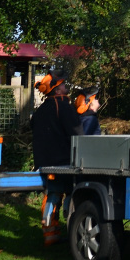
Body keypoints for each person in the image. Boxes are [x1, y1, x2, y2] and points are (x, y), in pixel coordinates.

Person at [30, 70, 80, 247]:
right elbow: (77, 132)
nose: (66, 87)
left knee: (52, 194)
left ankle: (50, 234)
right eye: (64, 85)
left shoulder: (41, 110)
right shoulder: (64, 106)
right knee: (71, 194)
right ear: (57, 90)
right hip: (64, 162)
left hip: (44, 163)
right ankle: (71, 231)